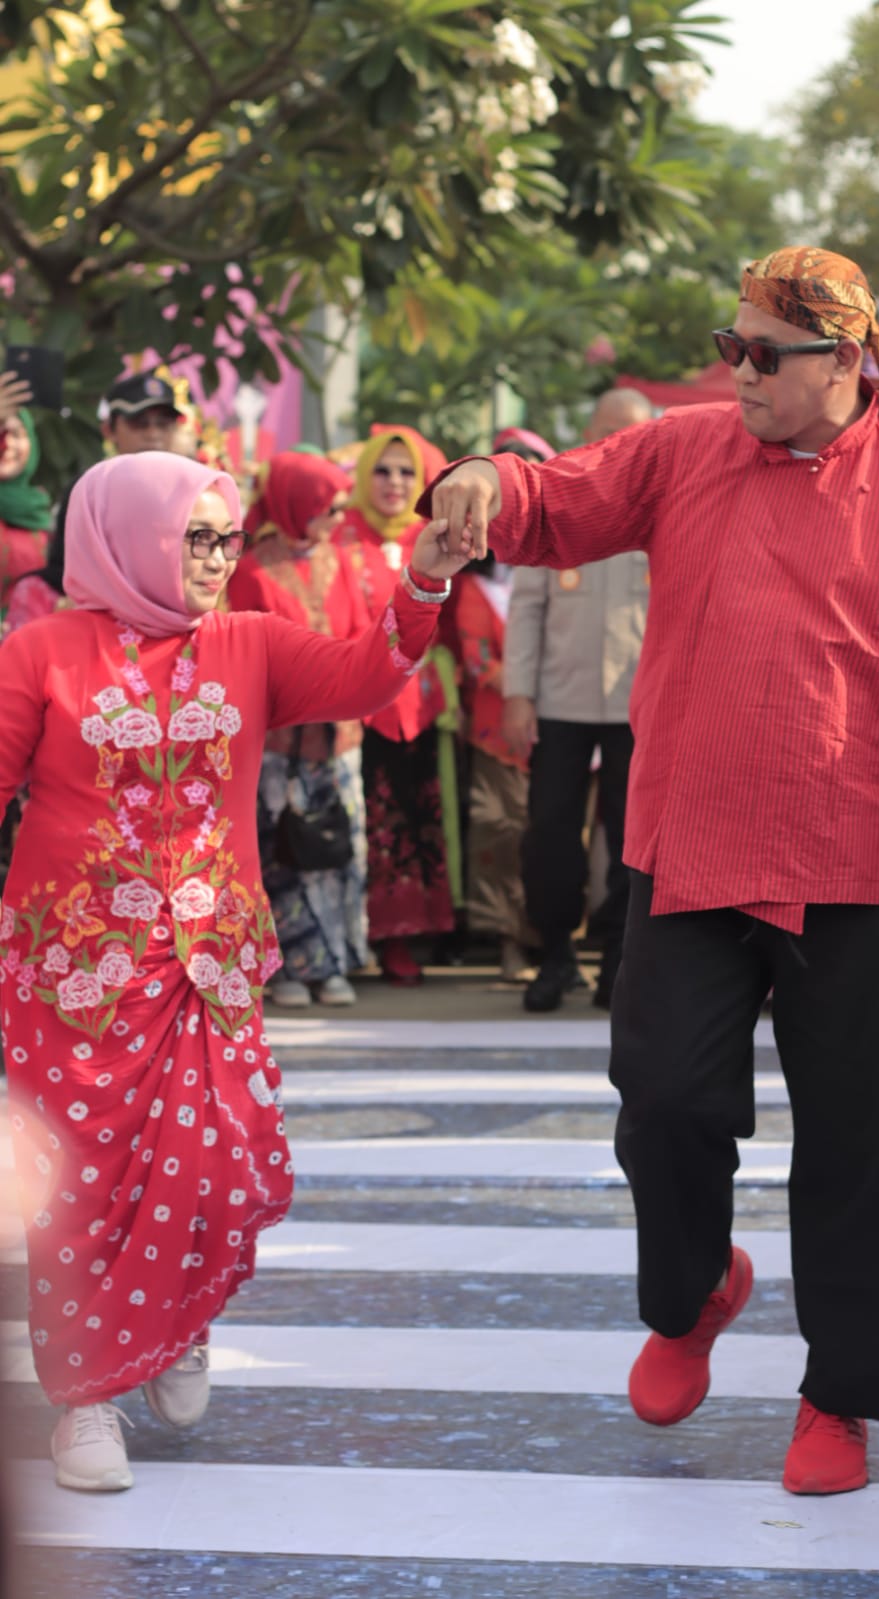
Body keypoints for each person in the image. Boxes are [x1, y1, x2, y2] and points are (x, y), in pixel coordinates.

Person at [424, 246, 879, 1496]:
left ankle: (838, 1402)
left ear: (851, 362)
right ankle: (693, 1288)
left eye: (765, 353)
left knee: (854, 1148)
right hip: (687, 841)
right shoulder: (683, 450)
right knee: (660, 1101)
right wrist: (480, 476)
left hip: (862, 861)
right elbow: (554, 502)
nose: (739, 372)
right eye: (732, 345)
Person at [0, 450, 465, 1493]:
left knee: (206, 1172)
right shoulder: (41, 654)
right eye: (194, 539)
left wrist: (423, 579)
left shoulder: (246, 644)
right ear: (129, 540)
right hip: (75, 978)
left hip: (208, 968)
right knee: (75, 1192)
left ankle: (177, 1324)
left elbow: (363, 673)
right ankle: (85, 1404)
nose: (217, 559)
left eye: (224, 538)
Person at [502, 388, 653, 1012]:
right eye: (608, 431)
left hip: (639, 701)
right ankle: (555, 953)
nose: (618, 445)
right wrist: (517, 694)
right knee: (550, 834)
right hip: (561, 698)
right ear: (588, 433)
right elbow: (527, 608)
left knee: (630, 838)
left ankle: (619, 958)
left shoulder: (664, 501)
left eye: (632, 434)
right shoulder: (556, 494)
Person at [226, 450, 372, 1008]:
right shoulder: (251, 568)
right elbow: (250, 648)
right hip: (279, 737)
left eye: (340, 505)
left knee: (337, 842)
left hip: (338, 734)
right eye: (326, 507)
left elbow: (362, 632)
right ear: (293, 504)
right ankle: (284, 967)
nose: (337, 517)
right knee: (280, 846)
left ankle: (334, 961)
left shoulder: (346, 561)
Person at [337, 427, 458, 985]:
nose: (393, 482)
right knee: (368, 824)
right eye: (382, 471)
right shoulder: (340, 538)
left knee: (415, 821)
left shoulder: (430, 536)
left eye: (406, 472)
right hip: (360, 705)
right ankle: (364, 940)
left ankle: (415, 933)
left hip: (422, 707)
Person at [454, 428, 557, 983]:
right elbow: (478, 662)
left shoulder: (567, 563)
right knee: (503, 832)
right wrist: (528, 689)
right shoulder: (475, 585)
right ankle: (509, 943)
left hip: (567, 726)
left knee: (559, 837)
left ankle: (554, 942)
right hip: (502, 733)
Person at [0, 405, 52, 619]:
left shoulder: (40, 509)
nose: (8, 444)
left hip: (28, 643)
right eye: (1, 432)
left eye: (18, 434)